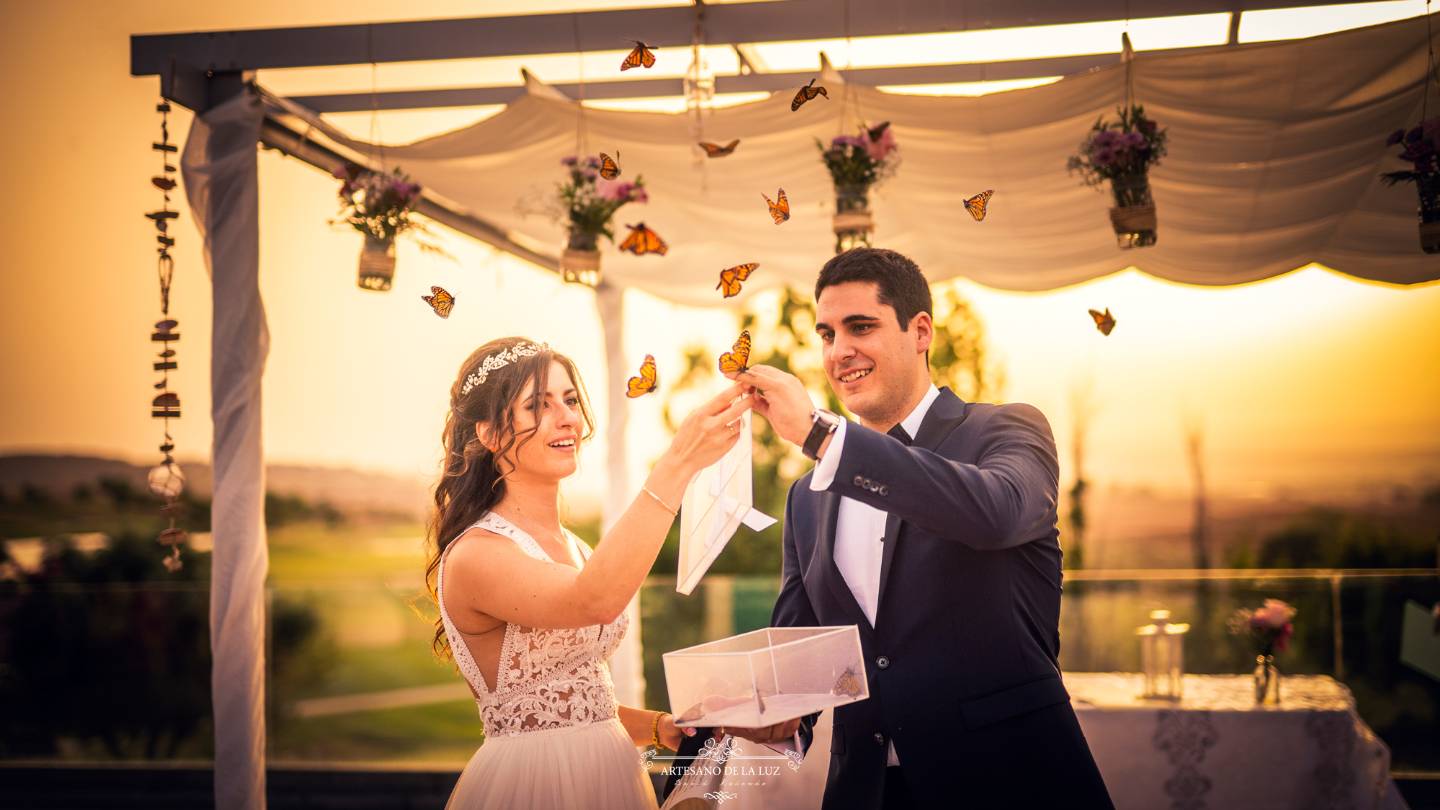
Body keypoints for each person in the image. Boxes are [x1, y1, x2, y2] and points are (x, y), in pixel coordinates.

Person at [724, 249, 1114, 809]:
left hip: (1010, 781)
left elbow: (995, 511)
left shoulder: (1007, 431)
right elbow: (803, 650)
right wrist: (770, 713)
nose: (840, 351)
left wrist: (820, 435)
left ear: (920, 331)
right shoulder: (806, 498)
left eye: (861, 327)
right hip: (868, 792)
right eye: (827, 334)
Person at [426, 336, 751, 809]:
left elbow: (567, 705)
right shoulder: (477, 553)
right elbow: (593, 600)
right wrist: (678, 463)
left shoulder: (576, 547)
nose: (567, 418)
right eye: (538, 404)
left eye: (571, 400)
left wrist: (658, 727)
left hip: (612, 775)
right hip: (535, 787)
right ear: (490, 434)